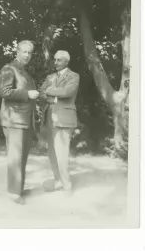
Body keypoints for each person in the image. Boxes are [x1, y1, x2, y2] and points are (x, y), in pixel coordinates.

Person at [0, 40, 39, 205]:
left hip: (25, 120)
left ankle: (18, 188)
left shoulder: (25, 72)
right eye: (24, 52)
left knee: (22, 157)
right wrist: (27, 94)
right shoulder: (9, 69)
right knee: (15, 157)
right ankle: (13, 193)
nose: (27, 55)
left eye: (30, 53)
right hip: (14, 119)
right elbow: (4, 91)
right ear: (17, 52)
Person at [39, 50, 80, 193]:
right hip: (49, 118)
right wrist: (53, 96)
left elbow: (67, 92)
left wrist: (51, 92)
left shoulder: (74, 76)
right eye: (54, 60)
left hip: (64, 119)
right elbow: (42, 91)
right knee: (52, 153)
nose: (55, 62)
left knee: (61, 153)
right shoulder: (50, 77)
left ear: (66, 61)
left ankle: (67, 186)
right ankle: (57, 181)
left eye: (59, 60)